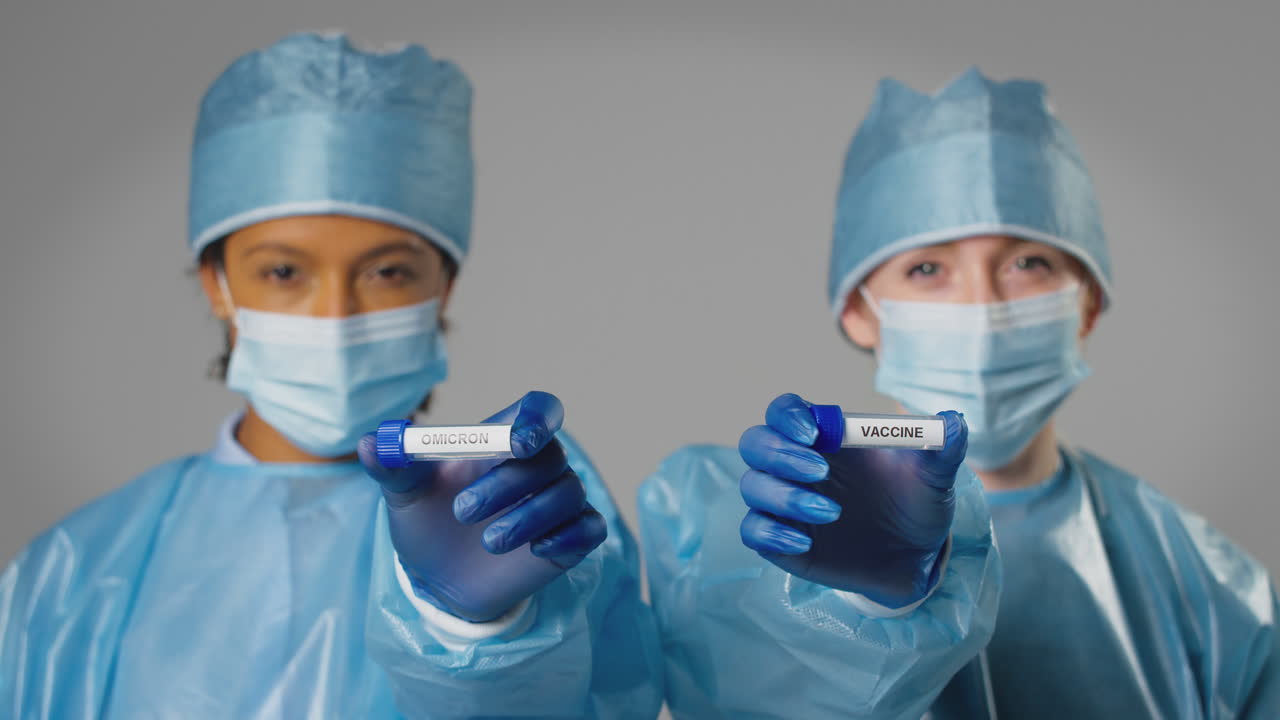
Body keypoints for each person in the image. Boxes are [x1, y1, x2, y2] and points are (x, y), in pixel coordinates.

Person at [0, 31, 663, 719]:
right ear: (217, 284)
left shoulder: (529, 526)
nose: (337, 315)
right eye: (284, 271)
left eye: (388, 271)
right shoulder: (77, 569)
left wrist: (482, 637)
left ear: (445, 285)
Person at [640, 67, 1279, 718]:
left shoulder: (1207, 582)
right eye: (927, 269)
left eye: (1029, 262)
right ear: (859, 311)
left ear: (1087, 302)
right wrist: (867, 610)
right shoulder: (761, 549)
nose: (983, 307)